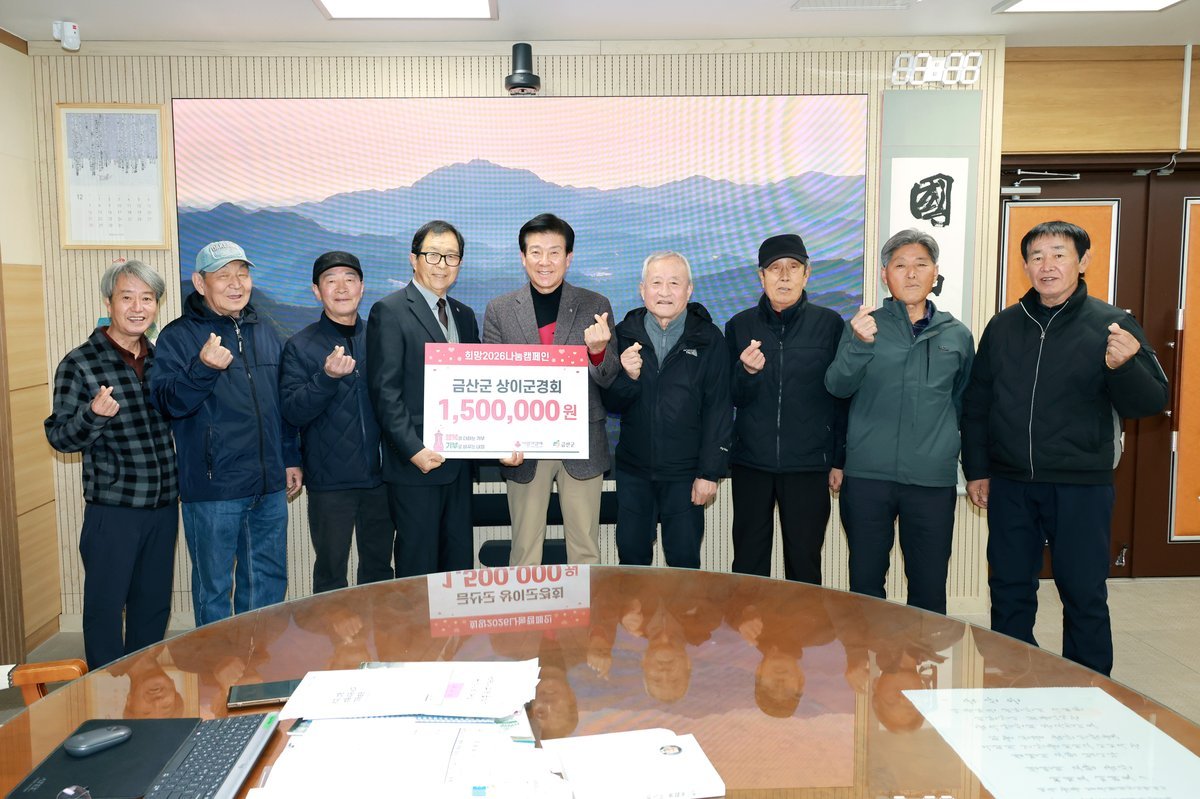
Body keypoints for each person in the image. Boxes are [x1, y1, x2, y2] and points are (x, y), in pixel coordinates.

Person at [962, 220, 1168, 675]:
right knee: (1009, 588)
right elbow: (977, 404)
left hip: (1082, 486)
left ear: (1083, 261)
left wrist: (1124, 366)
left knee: (1083, 591)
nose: (1047, 265)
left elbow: (1151, 402)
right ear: (1025, 266)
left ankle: (1090, 686)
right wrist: (977, 470)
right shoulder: (1004, 325)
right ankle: (1010, 679)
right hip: (1011, 483)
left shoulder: (1112, 324)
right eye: (1037, 256)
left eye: (1059, 254)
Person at [150, 240, 302, 626]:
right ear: (200, 283)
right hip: (214, 488)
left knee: (268, 581)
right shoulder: (177, 336)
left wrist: (289, 457)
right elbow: (167, 402)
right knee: (214, 589)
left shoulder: (264, 330)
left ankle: (261, 660)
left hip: (268, 486)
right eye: (223, 275)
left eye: (242, 274)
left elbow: (280, 403)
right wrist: (202, 368)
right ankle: (216, 664)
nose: (236, 283)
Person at [825, 229, 974, 614]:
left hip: (931, 481)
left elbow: (963, 404)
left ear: (935, 273)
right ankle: (867, 654)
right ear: (884, 274)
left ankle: (921, 656)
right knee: (865, 585)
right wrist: (860, 345)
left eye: (920, 265)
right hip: (868, 478)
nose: (910, 274)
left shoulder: (957, 335)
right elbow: (837, 386)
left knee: (928, 588)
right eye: (900, 265)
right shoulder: (864, 326)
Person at [44, 259, 178, 669]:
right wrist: (92, 415)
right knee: (105, 610)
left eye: (147, 298)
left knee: (152, 607)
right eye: (127, 297)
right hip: (114, 509)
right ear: (109, 302)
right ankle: (104, 695)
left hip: (163, 505)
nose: (138, 307)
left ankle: (144, 686)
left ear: (156, 305)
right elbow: (59, 436)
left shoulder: (161, 359)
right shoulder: (80, 362)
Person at [483, 213, 618, 566]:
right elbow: (492, 384)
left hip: (582, 442)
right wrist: (500, 441)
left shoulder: (596, 305)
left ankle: (586, 606)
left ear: (569, 258)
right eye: (536, 252)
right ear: (523, 257)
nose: (545, 262)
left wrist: (598, 351)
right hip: (524, 447)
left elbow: (609, 377)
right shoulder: (499, 310)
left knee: (585, 551)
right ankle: (523, 605)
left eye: (555, 252)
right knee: (524, 551)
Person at [724, 233, 847, 584]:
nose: (784, 276)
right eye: (774, 268)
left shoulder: (829, 325)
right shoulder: (739, 326)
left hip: (808, 465)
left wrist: (839, 460)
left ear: (806, 274)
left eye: (793, 267)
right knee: (748, 563)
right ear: (761, 276)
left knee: (804, 563)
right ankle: (749, 623)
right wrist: (746, 373)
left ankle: (801, 623)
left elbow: (842, 397)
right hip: (751, 463)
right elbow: (729, 396)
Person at [601, 251, 731, 568]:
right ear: (642, 289)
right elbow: (610, 402)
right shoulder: (623, 334)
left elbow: (719, 409)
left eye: (674, 283)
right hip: (634, 471)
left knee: (684, 562)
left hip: (686, 474)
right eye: (656, 283)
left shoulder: (708, 338)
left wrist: (709, 473)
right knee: (632, 560)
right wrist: (628, 377)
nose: (664, 292)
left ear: (689, 290)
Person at [366, 221, 480, 577]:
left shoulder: (464, 315)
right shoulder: (389, 311)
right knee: (419, 569)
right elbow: (385, 392)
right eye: (433, 255)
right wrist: (413, 450)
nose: (442, 264)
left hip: (459, 465)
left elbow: (479, 387)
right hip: (416, 466)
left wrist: (498, 443)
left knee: (458, 568)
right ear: (413, 259)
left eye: (451, 257)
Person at [281, 251, 394, 592]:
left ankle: (377, 627)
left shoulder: (382, 337)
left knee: (379, 569)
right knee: (331, 572)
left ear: (362, 287)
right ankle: (330, 631)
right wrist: (326, 378)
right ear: (317, 291)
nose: (342, 288)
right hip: (330, 482)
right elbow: (292, 412)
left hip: (382, 479)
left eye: (350, 279)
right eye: (331, 281)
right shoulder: (300, 346)